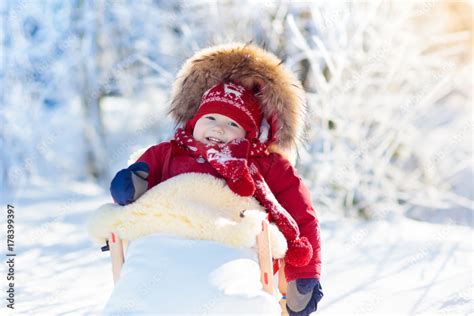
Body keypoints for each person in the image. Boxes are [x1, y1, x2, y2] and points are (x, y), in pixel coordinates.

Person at [109, 44, 323, 315]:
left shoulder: (263, 165)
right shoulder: (168, 152)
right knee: (144, 284)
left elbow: (301, 213)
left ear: (249, 135)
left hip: (231, 244)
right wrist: (131, 183)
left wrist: (304, 273)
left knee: (228, 292)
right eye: (210, 117)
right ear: (193, 121)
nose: (219, 127)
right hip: (163, 240)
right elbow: (142, 173)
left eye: (234, 124)